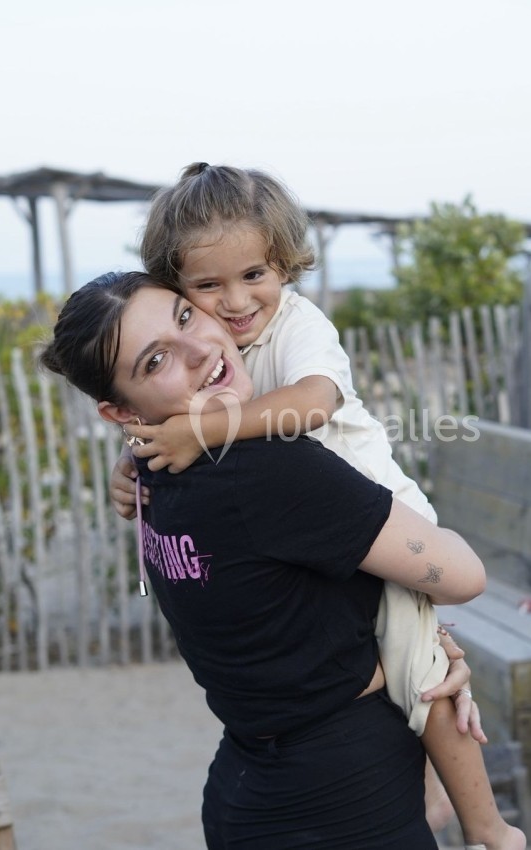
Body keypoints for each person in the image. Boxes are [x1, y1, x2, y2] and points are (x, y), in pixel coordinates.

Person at [110, 163, 524, 850]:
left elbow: (311, 405)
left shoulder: (300, 327)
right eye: (207, 286)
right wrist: (127, 468)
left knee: (426, 670)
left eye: (254, 276)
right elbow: (169, 432)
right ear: (176, 286)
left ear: (285, 265)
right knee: (412, 667)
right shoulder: (214, 349)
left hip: (386, 516)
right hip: (322, 542)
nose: (236, 301)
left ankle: (488, 826)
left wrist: (200, 429)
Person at [41, 270, 486, 848]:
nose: (202, 349)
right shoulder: (271, 471)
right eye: (156, 361)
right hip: (345, 800)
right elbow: (464, 575)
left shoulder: (151, 481)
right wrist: (429, 636)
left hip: (247, 794)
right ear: (120, 413)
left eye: (184, 316)